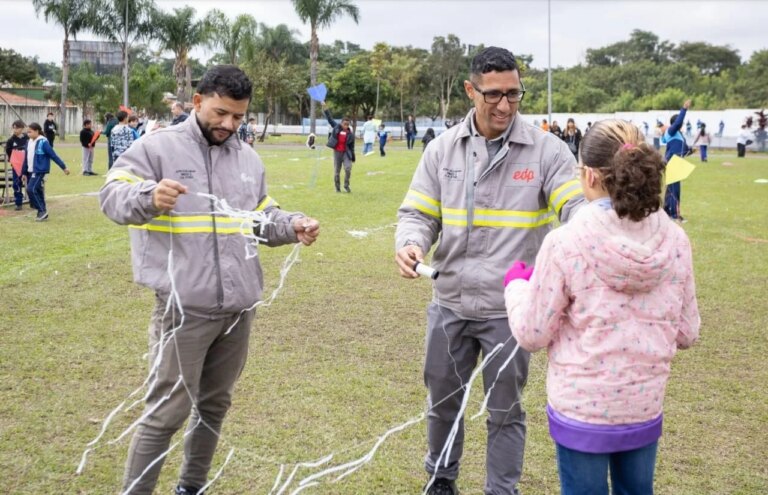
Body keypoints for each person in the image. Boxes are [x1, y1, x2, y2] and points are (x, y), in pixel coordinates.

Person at [99, 65, 320, 495]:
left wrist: (291, 224)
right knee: (166, 412)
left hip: (237, 310)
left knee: (214, 406)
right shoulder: (157, 148)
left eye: (238, 117)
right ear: (197, 102)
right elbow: (111, 195)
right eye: (220, 113)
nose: (229, 125)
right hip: (183, 310)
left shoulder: (247, 158)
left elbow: (260, 217)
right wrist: (148, 197)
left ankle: (191, 486)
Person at [395, 46, 585, 495]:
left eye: (514, 95)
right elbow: (418, 214)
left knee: (505, 409)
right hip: (449, 302)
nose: (504, 105)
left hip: (511, 310)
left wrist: (595, 225)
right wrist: (410, 244)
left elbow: (574, 207)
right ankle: (441, 479)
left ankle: (502, 489)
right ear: (470, 90)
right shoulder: (442, 150)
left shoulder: (547, 151)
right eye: (493, 95)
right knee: (443, 402)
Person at [504, 119, 700, 495]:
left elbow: (531, 332)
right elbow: (688, 331)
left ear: (589, 175)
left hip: (582, 408)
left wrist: (516, 286)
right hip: (642, 405)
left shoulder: (565, 242)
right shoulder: (674, 239)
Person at [25, 122, 70, 221]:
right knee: (38, 190)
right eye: (27, 132)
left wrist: (64, 167)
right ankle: (42, 211)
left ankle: (41, 210)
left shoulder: (43, 142)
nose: (28, 134)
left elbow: (53, 155)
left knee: (31, 189)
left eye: (30, 132)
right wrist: (24, 172)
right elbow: (26, 157)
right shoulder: (29, 142)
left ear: (37, 131)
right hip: (30, 170)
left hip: (39, 170)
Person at [660, 99, 691, 222]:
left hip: (677, 162)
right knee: (674, 189)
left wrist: (690, 150)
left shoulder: (677, 134)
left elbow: (683, 148)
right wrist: (684, 109)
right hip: (673, 163)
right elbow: (678, 123)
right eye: (680, 122)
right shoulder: (671, 131)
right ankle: (675, 215)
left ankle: (667, 211)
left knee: (671, 188)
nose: (681, 124)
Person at [321, 101, 355, 193]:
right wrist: (325, 107)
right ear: (341, 123)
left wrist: (353, 157)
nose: (346, 126)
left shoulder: (350, 134)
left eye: (347, 124)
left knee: (348, 168)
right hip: (337, 152)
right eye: (344, 124)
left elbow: (352, 147)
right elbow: (329, 118)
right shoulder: (336, 127)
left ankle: (346, 185)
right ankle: (337, 187)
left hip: (346, 153)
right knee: (337, 172)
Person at [5, 120, 29, 210]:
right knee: (16, 183)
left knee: (31, 183)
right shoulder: (11, 140)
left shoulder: (28, 138)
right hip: (16, 166)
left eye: (17, 128)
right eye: (14, 128)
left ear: (22, 128)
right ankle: (18, 203)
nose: (15, 130)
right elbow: (9, 152)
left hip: (28, 165)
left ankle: (34, 201)